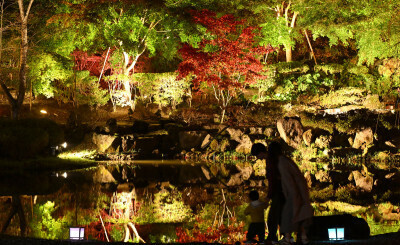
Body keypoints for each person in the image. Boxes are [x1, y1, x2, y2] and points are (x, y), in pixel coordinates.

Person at [267, 141, 313, 245]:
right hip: (299, 189)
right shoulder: (284, 160)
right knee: (300, 214)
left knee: (289, 215)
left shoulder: (281, 162)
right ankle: (303, 237)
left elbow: (289, 180)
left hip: (294, 191)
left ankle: (288, 238)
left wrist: (291, 195)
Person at [251, 143, 285, 243]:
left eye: (257, 155)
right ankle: (284, 236)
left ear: (260, 152)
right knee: (279, 215)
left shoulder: (271, 161)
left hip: (278, 192)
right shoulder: (272, 159)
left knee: (273, 216)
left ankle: (273, 237)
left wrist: (269, 196)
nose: (257, 158)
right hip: (281, 191)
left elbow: (272, 180)